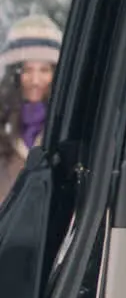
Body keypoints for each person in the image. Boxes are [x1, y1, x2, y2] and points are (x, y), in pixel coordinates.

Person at [0, 15, 62, 202]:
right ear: (15, 74)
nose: (35, 81)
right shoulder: (3, 123)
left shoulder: (66, 125)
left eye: (44, 70)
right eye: (27, 70)